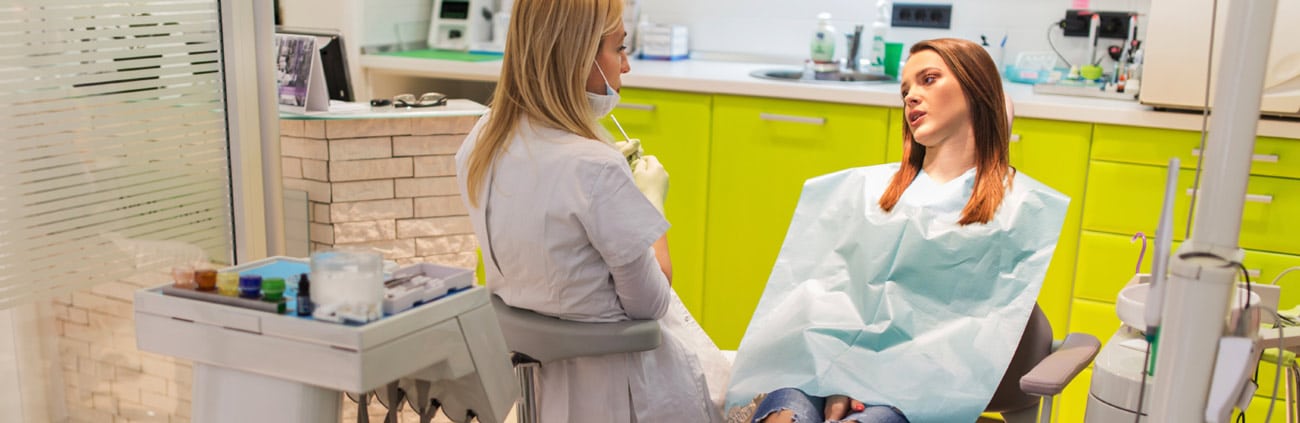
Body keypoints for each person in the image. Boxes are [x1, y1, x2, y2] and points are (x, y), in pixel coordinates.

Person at [724, 38, 1069, 423]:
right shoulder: (863, 190)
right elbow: (823, 297)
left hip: (916, 393)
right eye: (906, 90)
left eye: (929, 79)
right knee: (785, 414)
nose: (911, 97)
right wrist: (838, 376)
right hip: (820, 371)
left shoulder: (1018, 208)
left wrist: (871, 380)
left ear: (976, 88)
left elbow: (967, 331)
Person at [453, 0, 723, 422]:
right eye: (620, 49)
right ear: (581, 56)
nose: (626, 67)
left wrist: (609, 196)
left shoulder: (481, 140)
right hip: (619, 392)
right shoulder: (594, 167)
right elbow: (651, 301)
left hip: (538, 391)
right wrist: (649, 204)